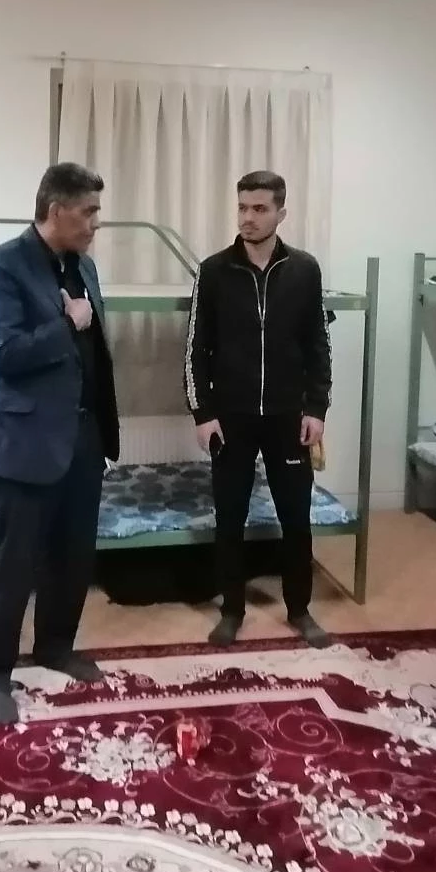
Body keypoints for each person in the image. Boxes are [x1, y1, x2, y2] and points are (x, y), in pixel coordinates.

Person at [0, 162, 121, 724]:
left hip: (82, 437)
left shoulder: (86, 268)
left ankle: (55, 646)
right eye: (88, 212)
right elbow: (2, 353)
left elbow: (95, 355)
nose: (96, 223)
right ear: (56, 211)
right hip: (20, 442)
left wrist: (102, 428)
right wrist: (67, 324)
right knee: (13, 565)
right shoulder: (0, 265)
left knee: (73, 557)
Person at [185, 171, 333, 649]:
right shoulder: (213, 271)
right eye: (242, 207)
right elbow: (194, 349)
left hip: (289, 418)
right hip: (231, 419)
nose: (247, 217)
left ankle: (300, 610)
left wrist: (317, 407)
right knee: (229, 518)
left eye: (259, 208)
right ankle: (231, 610)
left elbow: (318, 344)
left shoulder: (305, 270)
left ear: (280, 213)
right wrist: (203, 413)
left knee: (296, 518)